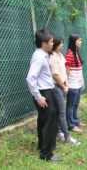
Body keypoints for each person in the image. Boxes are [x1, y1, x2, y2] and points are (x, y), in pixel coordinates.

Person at [26, 29, 61, 162]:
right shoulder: (40, 57)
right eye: (51, 42)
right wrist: (38, 96)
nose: (53, 44)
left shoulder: (42, 55)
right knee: (50, 123)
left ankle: (43, 147)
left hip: (45, 91)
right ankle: (47, 154)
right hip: (44, 93)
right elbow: (30, 78)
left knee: (44, 121)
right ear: (43, 43)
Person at [49, 37, 80, 146]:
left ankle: (59, 133)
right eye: (60, 44)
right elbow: (55, 75)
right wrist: (63, 86)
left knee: (59, 112)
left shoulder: (60, 55)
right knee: (62, 113)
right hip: (57, 87)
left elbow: (64, 71)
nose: (62, 45)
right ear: (55, 45)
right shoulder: (52, 56)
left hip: (63, 86)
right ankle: (67, 137)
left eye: (62, 43)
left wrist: (66, 83)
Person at [65, 34, 86, 133]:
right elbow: (67, 71)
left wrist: (82, 82)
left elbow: (79, 70)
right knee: (70, 105)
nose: (81, 42)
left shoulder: (77, 53)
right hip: (72, 85)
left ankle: (75, 121)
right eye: (79, 40)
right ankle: (71, 125)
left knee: (76, 104)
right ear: (74, 42)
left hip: (78, 84)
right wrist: (66, 84)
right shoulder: (69, 54)